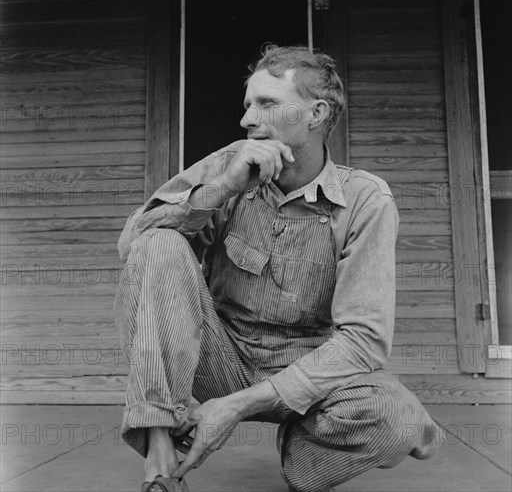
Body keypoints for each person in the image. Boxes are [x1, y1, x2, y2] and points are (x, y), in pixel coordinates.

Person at [113, 45, 444, 492]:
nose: (248, 119)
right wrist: (221, 189)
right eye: (248, 104)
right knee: (159, 239)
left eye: (266, 104)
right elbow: (132, 245)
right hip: (219, 357)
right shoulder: (232, 161)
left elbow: (364, 342)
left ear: (316, 113)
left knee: (398, 420)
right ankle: (159, 459)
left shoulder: (366, 198)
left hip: (310, 370)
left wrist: (237, 407)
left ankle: (302, 455)